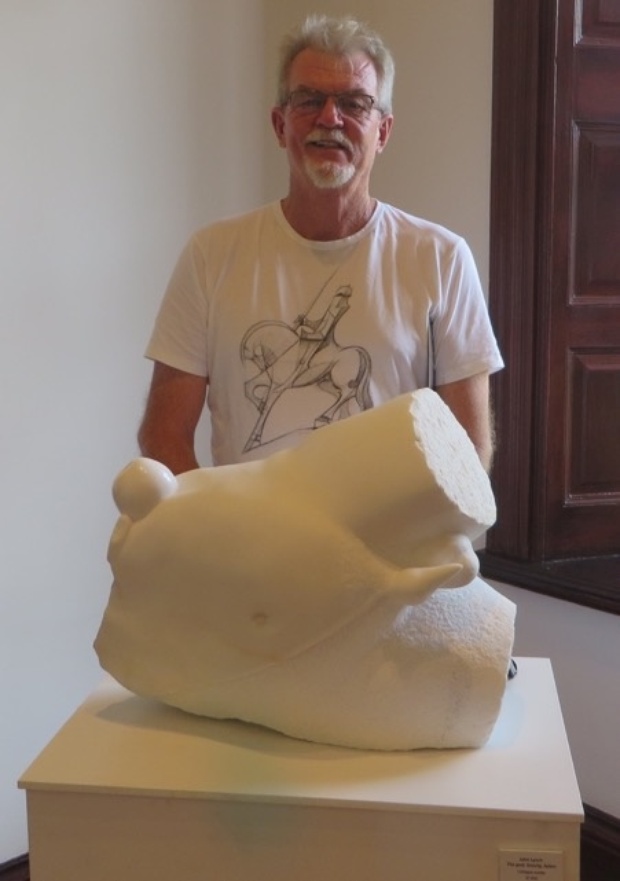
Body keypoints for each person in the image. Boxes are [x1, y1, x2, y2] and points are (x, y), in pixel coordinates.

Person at [138, 14, 503, 475]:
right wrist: (217, 517)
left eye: (355, 103)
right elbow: (163, 435)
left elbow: (469, 452)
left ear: (382, 131)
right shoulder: (209, 256)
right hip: (253, 524)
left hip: (388, 525)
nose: (330, 118)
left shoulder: (442, 259)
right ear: (279, 125)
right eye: (309, 100)